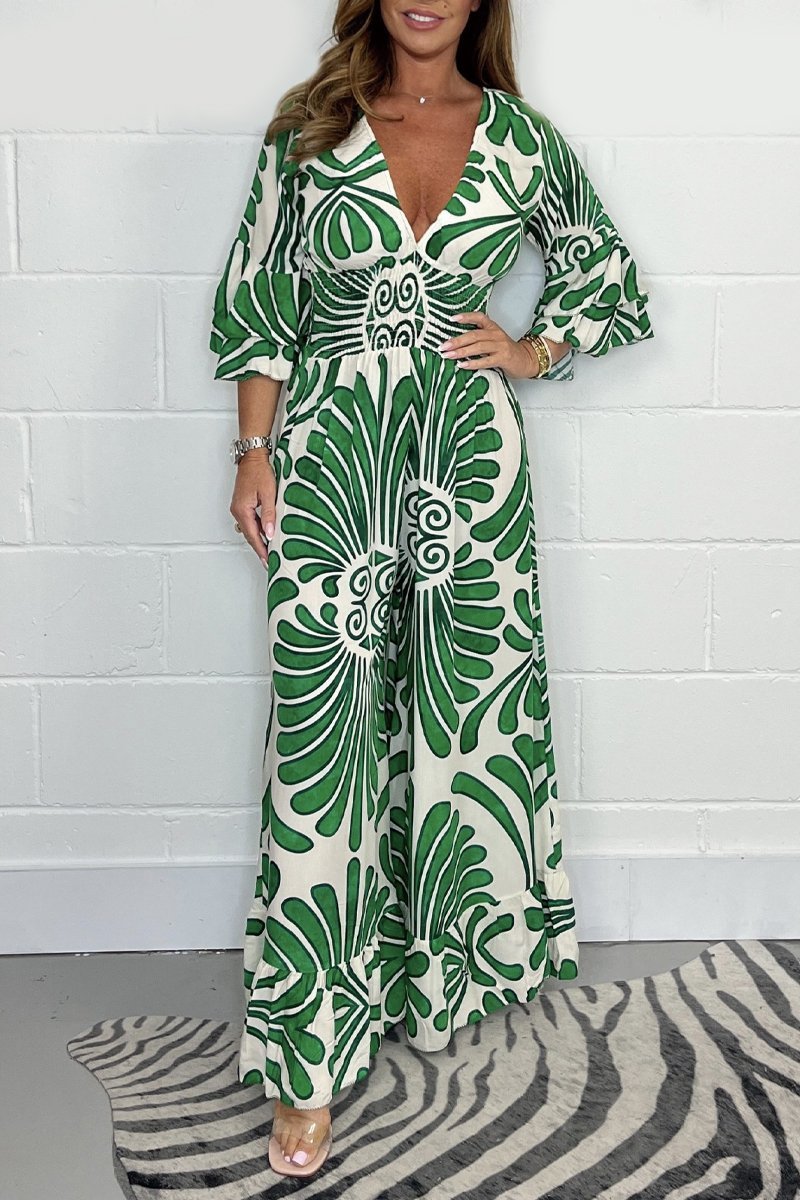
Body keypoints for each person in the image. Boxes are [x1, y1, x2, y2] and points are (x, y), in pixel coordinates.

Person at [209, 0, 654, 1179]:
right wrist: (251, 452)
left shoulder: (519, 138)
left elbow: (604, 268)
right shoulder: (310, 127)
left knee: (458, 729)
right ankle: (308, 1056)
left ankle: (429, 977)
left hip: (466, 459)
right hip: (331, 456)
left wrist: (533, 348)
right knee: (322, 743)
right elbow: (262, 295)